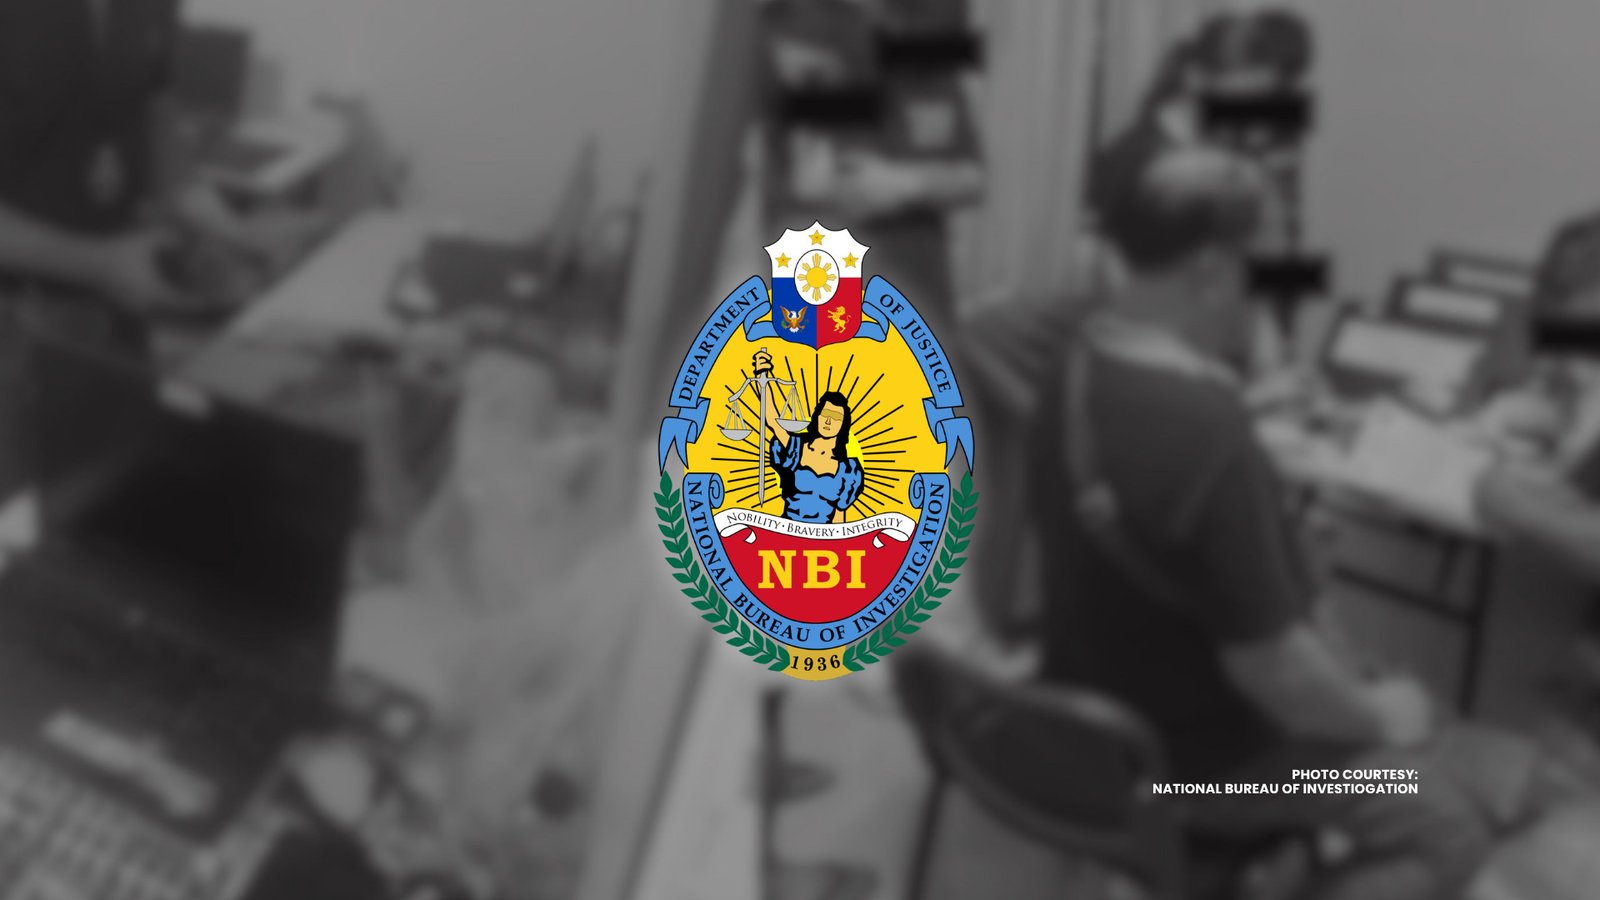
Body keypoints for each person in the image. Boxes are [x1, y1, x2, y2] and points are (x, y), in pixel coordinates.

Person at [1036, 137, 1555, 900]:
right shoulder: (1208, 432)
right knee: (1449, 825)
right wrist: (1379, 719)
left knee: (1472, 756)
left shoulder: (1074, 362)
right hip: (1203, 775)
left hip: (1092, 726)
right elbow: (1276, 672)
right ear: (1212, 274)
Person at [754, 349, 864, 524]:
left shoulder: (848, 470)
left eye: (836, 417)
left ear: (843, 425)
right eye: (825, 414)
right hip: (788, 529)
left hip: (823, 535)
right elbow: (773, 420)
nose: (828, 421)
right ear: (817, 416)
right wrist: (762, 376)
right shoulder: (796, 448)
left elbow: (839, 518)